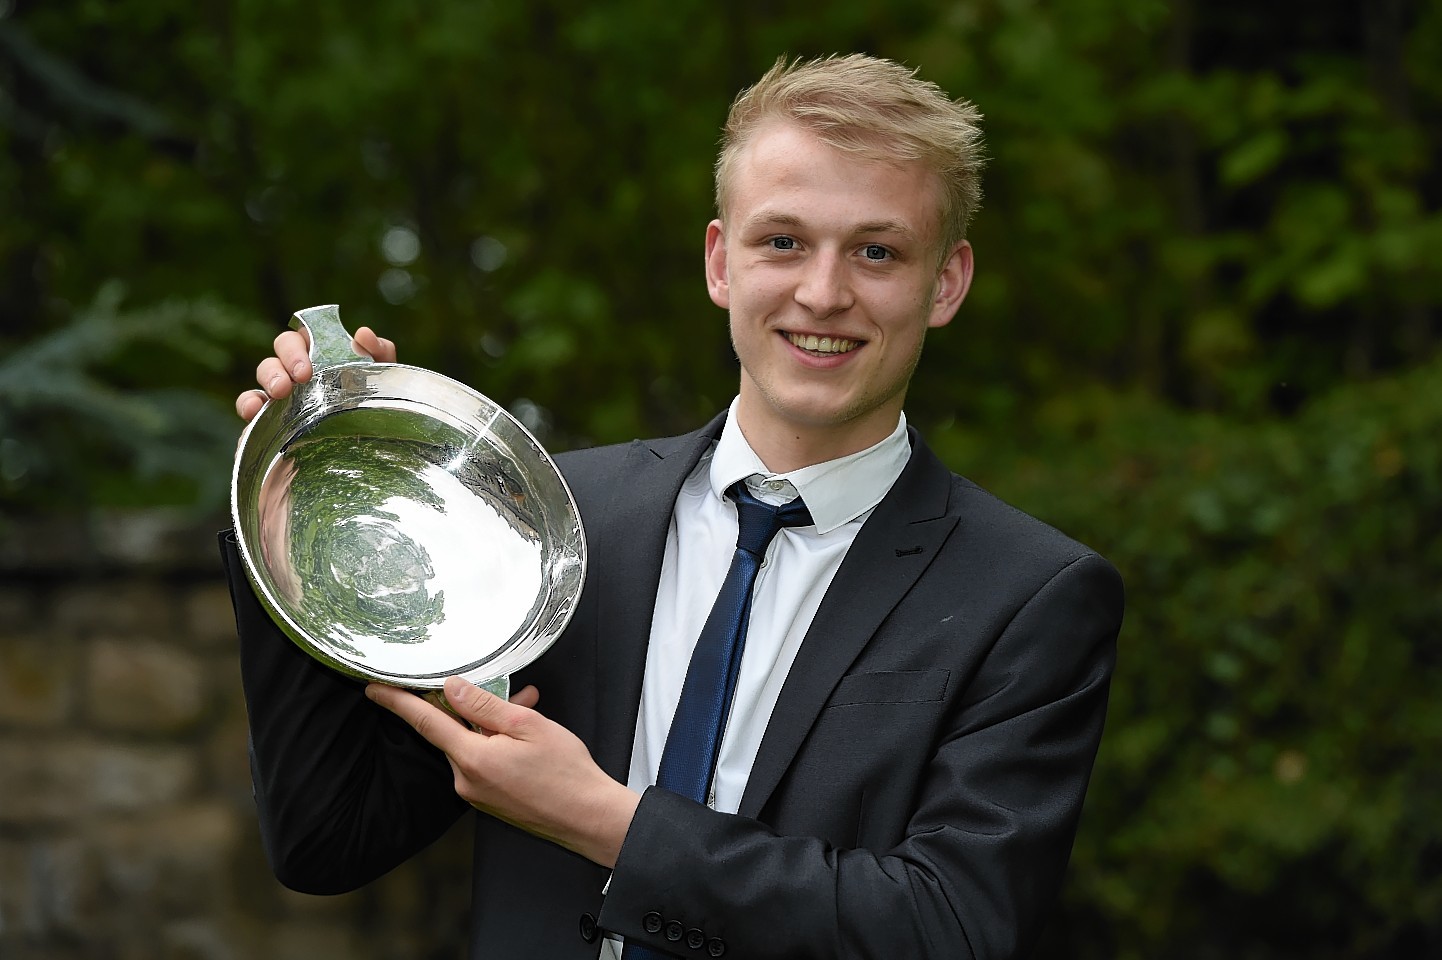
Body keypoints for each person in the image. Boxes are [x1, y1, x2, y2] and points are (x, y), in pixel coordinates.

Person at [222, 54, 1124, 960]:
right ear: (719, 261)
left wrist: (610, 824)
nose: (823, 292)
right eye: (783, 242)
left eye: (877, 251)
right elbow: (328, 841)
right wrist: (300, 495)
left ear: (947, 283)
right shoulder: (547, 524)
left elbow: (951, 930)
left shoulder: (1031, 595)